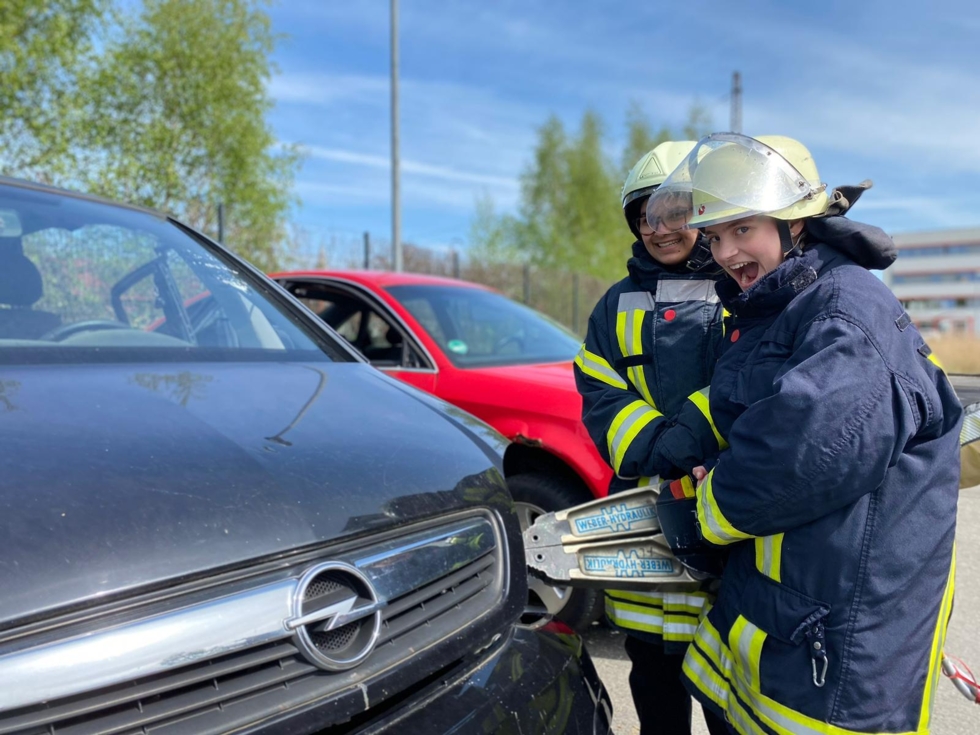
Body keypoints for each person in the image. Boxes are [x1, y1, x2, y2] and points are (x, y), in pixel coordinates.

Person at [645, 133, 962, 735]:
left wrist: (706, 510)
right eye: (715, 238)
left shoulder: (844, 310)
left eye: (743, 230)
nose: (727, 252)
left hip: (836, 652)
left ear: (796, 223)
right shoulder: (787, 306)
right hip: (790, 615)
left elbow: (798, 458)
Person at [574, 140, 730, 735]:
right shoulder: (613, 304)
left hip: (719, 511)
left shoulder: (738, 290)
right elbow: (599, 392)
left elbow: (751, 385)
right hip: (643, 515)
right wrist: (666, 446)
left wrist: (689, 435)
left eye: (676, 211)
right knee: (650, 668)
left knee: (723, 677)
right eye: (646, 214)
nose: (660, 229)